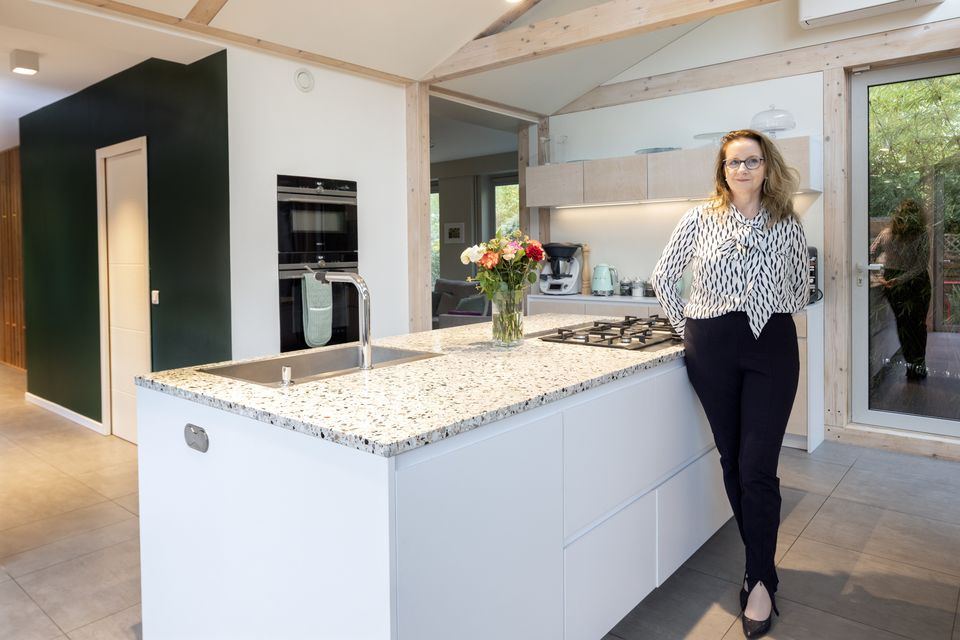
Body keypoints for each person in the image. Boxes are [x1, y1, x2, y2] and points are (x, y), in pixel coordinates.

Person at [651, 129, 809, 638]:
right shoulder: (698, 219)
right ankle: (759, 567)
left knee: (757, 466)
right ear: (723, 170)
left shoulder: (787, 221)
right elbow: (663, 277)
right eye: (733, 162)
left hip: (772, 346)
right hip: (712, 345)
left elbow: (799, 288)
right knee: (733, 462)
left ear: (767, 166)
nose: (742, 169)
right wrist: (689, 328)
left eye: (751, 161)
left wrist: (771, 303)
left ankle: (759, 579)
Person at [869, 198, 931, 380]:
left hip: (893, 284)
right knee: (917, 326)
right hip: (916, 284)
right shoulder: (921, 234)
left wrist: (881, 276)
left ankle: (912, 366)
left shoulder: (886, 233)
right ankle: (917, 367)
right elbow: (920, 266)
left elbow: (870, 253)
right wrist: (899, 279)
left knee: (903, 326)